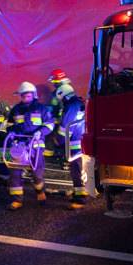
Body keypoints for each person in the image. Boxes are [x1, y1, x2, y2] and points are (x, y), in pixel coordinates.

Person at [6, 81, 53, 211]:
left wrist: (41, 132)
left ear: (33, 95)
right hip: (19, 144)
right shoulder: (16, 109)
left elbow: (50, 124)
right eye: (23, 96)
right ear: (20, 96)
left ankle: (40, 192)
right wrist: (12, 133)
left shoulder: (42, 109)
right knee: (15, 172)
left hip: (36, 145)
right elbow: (9, 126)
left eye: (28, 96)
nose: (25, 98)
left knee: (37, 172)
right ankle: (17, 200)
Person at [54, 81, 89, 209]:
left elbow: (65, 126)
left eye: (62, 99)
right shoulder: (78, 102)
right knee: (79, 169)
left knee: (77, 170)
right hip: (80, 141)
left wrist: (59, 140)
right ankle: (78, 193)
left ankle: (80, 198)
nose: (62, 101)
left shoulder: (71, 106)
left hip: (75, 144)